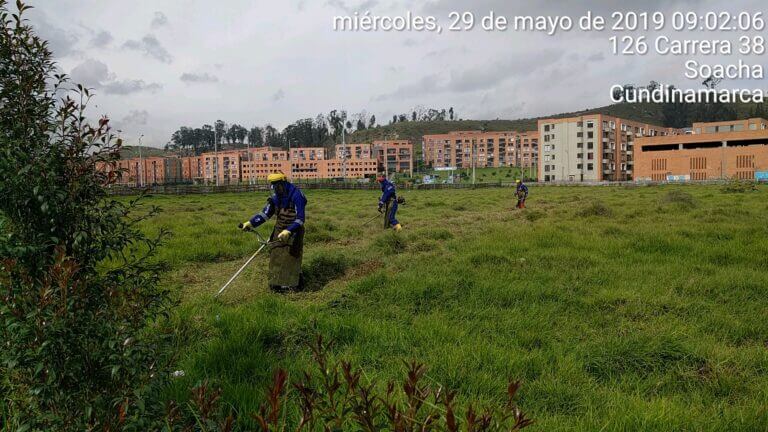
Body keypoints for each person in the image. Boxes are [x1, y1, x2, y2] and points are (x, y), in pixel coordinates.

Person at [239, 172, 307, 292]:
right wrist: (250, 223)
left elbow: (300, 219)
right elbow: (265, 214)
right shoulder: (277, 197)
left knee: (291, 257)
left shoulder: (297, 195)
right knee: (276, 256)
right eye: (273, 186)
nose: (276, 188)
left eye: (278, 185)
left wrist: (288, 231)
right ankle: (276, 283)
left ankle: (293, 284)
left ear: (284, 183)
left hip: (294, 230)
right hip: (279, 229)